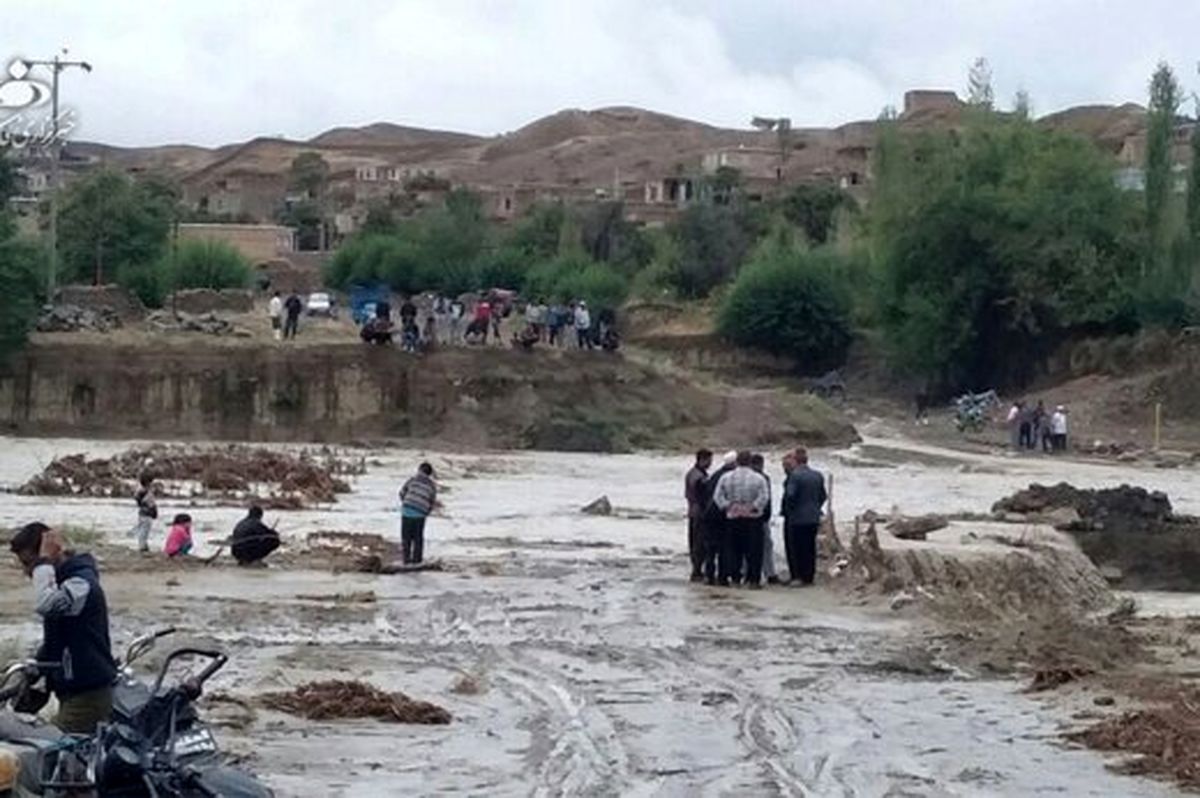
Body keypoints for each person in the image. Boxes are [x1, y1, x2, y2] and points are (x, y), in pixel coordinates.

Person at [9, 523, 117, 734]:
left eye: (29, 563)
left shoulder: (80, 584)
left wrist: (43, 562)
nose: (28, 572)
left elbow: (46, 605)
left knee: (46, 751)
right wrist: (35, 669)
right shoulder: (65, 582)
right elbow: (59, 638)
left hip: (89, 695)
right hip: (73, 691)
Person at [713, 451, 770, 589]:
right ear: (750, 462)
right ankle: (753, 580)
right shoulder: (759, 478)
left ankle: (735, 579)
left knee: (734, 550)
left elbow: (717, 497)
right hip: (753, 519)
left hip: (733, 518)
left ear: (737, 461)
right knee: (754, 551)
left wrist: (728, 507)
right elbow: (764, 497)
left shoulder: (726, 477)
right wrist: (753, 508)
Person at [782, 448, 827, 586]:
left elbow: (790, 495)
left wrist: (789, 510)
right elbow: (823, 495)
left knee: (795, 548)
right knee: (810, 547)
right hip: (813, 516)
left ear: (795, 460)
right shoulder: (818, 475)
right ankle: (809, 576)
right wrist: (816, 507)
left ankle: (797, 576)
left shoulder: (795, 476)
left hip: (796, 517)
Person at [701, 451, 737, 585]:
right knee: (724, 548)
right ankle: (722, 577)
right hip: (723, 515)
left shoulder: (715, 475)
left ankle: (709, 576)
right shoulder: (729, 477)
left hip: (709, 515)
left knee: (711, 548)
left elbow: (706, 494)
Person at [399, 462, 439, 565]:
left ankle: (406, 560)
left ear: (420, 470)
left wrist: (406, 503)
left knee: (406, 538)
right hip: (420, 514)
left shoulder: (412, 480)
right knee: (418, 538)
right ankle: (417, 561)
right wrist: (426, 512)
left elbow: (402, 493)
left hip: (407, 511)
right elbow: (432, 501)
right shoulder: (432, 486)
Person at [751, 453, 781, 585]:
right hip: (761, 517)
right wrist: (766, 515)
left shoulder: (744, 477)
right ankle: (769, 573)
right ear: (760, 464)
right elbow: (766, 499)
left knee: (747, 547)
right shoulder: (763, 478)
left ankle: (746, 573)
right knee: (766, 545)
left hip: (744, 518)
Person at [684, 449, 713, 582]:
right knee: (699, 543)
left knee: (695, 542)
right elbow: (702, 496)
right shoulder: (699, 477)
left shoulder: (692, 473)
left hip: (692, 512)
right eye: (709, 460)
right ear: (703, 460)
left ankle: (696, 570)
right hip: (699, 514)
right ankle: (697, 571)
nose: (711, 463)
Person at [132, 473, 158, 554]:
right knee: (145, 530)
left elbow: (137, 498)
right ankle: (142, 547)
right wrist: (154, 511)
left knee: (142, 529)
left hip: (141, 513)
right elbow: (151, 503)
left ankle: (143, 545)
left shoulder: (139, 491)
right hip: (147, 513)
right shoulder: (147, 492)